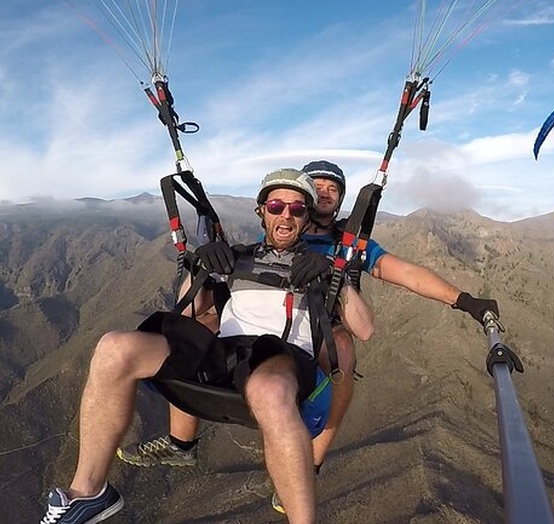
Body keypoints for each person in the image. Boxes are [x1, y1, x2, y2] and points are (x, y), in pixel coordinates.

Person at [116, 159, 499, 514]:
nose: (325, 191)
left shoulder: (350, 247)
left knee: (344, 347)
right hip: (260, 323)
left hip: (318, 327)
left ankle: (312, 457)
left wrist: (464, 301)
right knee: (201, 326)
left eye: (334, 187)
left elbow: (408, 273)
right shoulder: (284, 225)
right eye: (317, 185)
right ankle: (181, 441)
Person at [39, 168, 374, 524]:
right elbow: (191, 309)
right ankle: (89, 492)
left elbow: (364, 329)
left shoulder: (320, 270)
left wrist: (336, 279)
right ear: (262, 211)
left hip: (282, 357)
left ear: (307, 219)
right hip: (224, 355)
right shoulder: (235, 258)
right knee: (113, 347)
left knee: (270, 387)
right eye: (276, 205)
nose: (286, 215)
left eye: (297, 209)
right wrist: (200, 268)